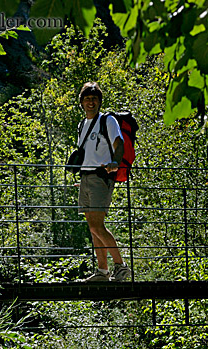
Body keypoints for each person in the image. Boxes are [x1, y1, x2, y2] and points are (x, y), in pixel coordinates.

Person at [77, 82, 132, 282]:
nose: (91, 102)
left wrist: (115, 162)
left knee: (97, 226)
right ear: (81, 102)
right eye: (87, 99)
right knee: (92, 227)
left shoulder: (107, 120)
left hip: (101, 177)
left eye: (94, 99)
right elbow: (87, 154)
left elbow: (119, 144)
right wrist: (82, 179)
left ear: (99, 102)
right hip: (86, 178)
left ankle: (121, 267)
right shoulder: (82, 125)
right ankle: (102, 272)